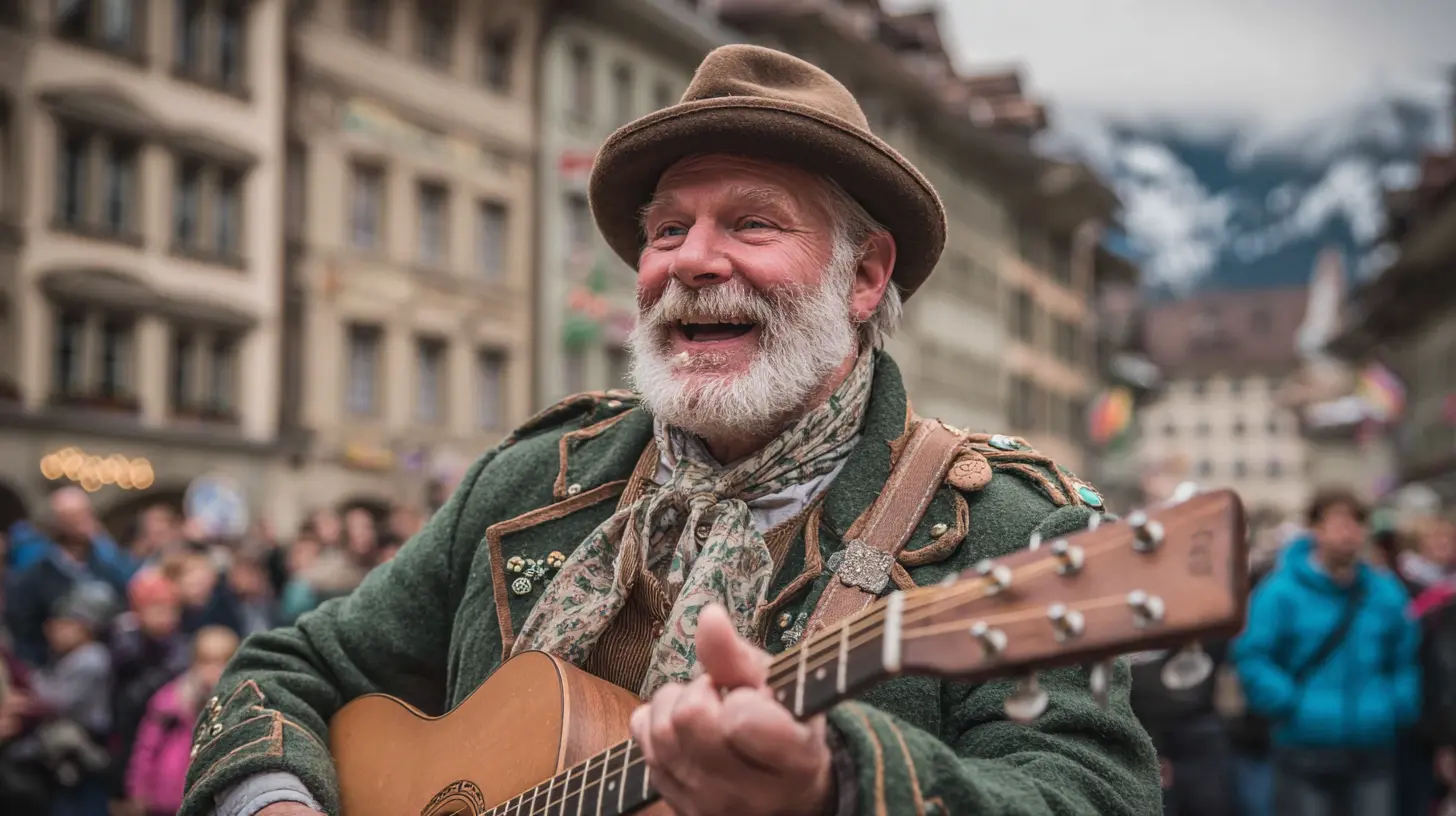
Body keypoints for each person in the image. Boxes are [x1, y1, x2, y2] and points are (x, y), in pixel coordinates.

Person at [179, 44, 1160, 816]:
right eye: (666, 230)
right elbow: (288, 672)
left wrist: (836, 790)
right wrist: (275, 803)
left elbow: (1095, 796)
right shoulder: (530, 479)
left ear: (864, 278)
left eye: (752, 223)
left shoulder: (1008, 531)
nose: (692, 261)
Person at [1233, 489, 1421, 816]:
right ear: (1315, 528)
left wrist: (1395, 705)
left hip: (1373, 745)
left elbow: (1406, 655)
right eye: (1338, 521)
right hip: (1304, 746)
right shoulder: (1280, 592)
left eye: (1356, 522)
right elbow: (1252, 656)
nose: (1348, 531)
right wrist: (1289, 703)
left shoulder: (1385, 591)